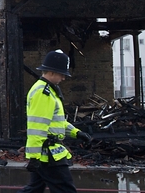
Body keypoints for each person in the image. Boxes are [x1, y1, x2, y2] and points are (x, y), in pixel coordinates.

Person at [22, 49, 92, 193]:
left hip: (46, 153)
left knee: (34, 190)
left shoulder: (49, 91)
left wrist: (77, 133)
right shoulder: (43, 93)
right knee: (66, 190)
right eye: (62, 74)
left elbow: (56, 122)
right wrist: (34, 157)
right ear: (51, 72)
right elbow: (37, 127)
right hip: (48, 154)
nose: (64, 78)